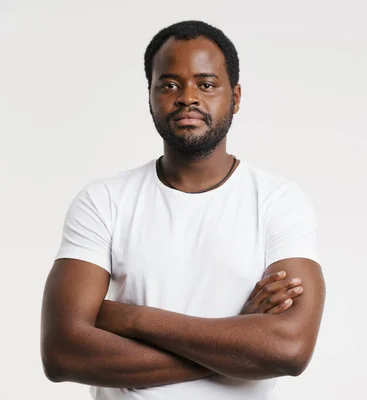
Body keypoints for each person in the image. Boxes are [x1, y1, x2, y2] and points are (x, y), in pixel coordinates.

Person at [40, 20, 326, 400]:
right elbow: (62, 353)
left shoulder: (279, 202)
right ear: (151, 95)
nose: (187, 97)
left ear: (235, 97)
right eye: (170, 84)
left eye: (206, 84)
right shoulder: (104, 200)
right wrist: (239, 344)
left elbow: (289, 349)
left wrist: (130, 319)